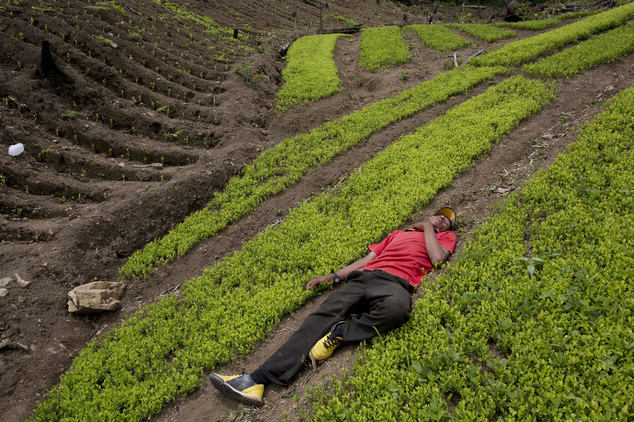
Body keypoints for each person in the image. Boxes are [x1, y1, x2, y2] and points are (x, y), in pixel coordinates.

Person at [210, 207, 458, 407]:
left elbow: (437, 259)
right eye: (439, 214)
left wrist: (428, 227)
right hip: (363, 279)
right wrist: (332, 277)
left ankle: (341, 332)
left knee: (397, 308)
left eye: (446, 220)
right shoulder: (397, 234)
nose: (441, 218)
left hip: (395, 283)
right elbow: (366, 260)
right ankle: (256, 380)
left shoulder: (444, 237)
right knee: (316, 320)